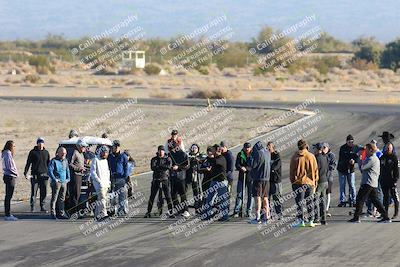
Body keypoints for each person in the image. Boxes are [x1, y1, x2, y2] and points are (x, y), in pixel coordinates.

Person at [348, 143, 391, 223]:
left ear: (371, 150)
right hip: (372, 182)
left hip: (368, 183)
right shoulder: (372, 158)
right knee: (375, 200)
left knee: (360, 199)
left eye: (366, 150)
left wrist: (360, 159)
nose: (365, 151)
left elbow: (363, 167)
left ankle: (356, 217)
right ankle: (385, 216)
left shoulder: (372, 159)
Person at [290, 139, 318, 227]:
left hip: (298, 183)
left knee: (299, 202)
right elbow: (315, 170)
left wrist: (293, 181)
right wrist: (315, 181)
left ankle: (300, 220)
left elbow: (292, 171)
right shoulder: (311, 156)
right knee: (310, 202)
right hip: (309, 182)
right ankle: (311, 220)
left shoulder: (295, 157)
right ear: (306, 146)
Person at [145, 145, 174, 218]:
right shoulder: (154, 159)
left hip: (165, 179)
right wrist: (162, 167)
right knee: (152, 196)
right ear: (158, 151)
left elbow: (169, 167)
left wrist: (159, 167)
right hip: (156, 179)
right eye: (160, 150)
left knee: (168, 197)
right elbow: (153, 167)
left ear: (164, 151)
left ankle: (171, 212)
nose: (161, 152)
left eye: (162, 150)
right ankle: (148, 212)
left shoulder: (168, 158)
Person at [24, 137, 50, 213]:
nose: (41, 144)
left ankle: (42, 206)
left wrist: (51, 174)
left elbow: (49, 164)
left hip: (44, 175)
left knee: (43, 191)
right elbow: (28, 163)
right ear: (37, 143)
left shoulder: (46, 152)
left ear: (44, 143)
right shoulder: (32, 152)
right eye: (39, 142)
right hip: (35, 176)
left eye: (42, 142)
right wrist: (25, 173)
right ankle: (32, 207)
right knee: (34, 192)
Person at [248, 141, 271, 224]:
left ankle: (257, 217)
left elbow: (253, 165)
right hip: (267, 178)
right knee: (265, 197)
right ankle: (267, 216)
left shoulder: (258, 154)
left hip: (258, 179)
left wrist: (250, 157)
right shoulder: (267, 153)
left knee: (257, 197)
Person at [204, 145, 229, 221]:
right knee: (209, 198)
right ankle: (208, 214)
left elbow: (215, 162)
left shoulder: (221, 158)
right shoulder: (214, 158)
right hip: (214, 181)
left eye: (214, 150)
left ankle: (224, 216)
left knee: (222, 199)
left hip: (221, 182)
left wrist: (208, 159)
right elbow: (207, 164)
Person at [337, 135, 362, 207]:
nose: (350, 143)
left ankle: (353, 200)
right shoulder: (342, 148)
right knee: (342, 185)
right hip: (342, 169)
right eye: (349, 142)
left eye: (352, 142)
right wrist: (349, 161)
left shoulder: (355, 147)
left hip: (351, 170)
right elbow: (342, 158)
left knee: (352, 185)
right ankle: (343, 200)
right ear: (346, 141)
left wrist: (355, 161)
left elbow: (361, 150)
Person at [169, 142, 190, 218]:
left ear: (176, 147)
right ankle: (178, 209)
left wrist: (178, 167)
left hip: (181, 177)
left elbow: (187, 166)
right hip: (173, 177)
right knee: (173, 195)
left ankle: (186, 210)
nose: (171, 150)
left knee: (183, 195)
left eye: (172, 148)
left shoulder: (183, 154)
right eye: (170, 148)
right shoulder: (170, 154)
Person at [108, 140, 130, 215]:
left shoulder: (123, 156)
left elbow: (126, 167)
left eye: (118, 146)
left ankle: (122, 210)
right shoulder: (110, 156)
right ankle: (112, 210)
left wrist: (125, 176)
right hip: (112, 178)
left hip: (121, 178)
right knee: (112, 196)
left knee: (122, 195)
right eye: (115, 146)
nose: (116, 147)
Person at [48, 147, 70, 219]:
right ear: (59, 153)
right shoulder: (53, 161)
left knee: (62, 198)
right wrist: (54, 179)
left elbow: (67, 170)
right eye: (63, 153)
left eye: (65, 153)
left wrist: (68, 178)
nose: (64, 154)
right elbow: (50, 171)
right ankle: (53, 213)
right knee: (54, 198)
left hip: (64, 182)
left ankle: (62, 213)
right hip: (57, 182)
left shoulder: (65, 160)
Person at [90, 146, 111, 220]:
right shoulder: (95, 159)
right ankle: (104, 214)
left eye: (107, 153)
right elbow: (93, 172)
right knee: (102, 199)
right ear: (101, 152)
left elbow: (107, 171)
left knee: (101, 199)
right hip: (99, 184)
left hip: (106, 183)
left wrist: (108, 181)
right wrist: (98, 181)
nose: (106, 154)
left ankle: (97, 215)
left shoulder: (105, 161)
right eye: (104, 153)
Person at [68, 139, 88, 215]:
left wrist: (85, 167)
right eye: (83, 146)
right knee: (75, 194)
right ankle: (73, 212)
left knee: (78, 194)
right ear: (79, 146)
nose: (85, 148)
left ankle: (76, 210)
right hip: (75, 175)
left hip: (80, 175)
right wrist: (79, 168)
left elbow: (81, 164)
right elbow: (70, 164)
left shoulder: (81, 154)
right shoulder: (75, 152)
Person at [233, 142, 253, 218]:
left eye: (248, 148)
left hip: (251, 178)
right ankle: (237, 211)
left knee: (250, 195)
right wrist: (241, 168)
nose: (247, 149)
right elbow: (237, 164)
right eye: (245, 148)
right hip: (242, 177)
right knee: (240, 194)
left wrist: (247, 168)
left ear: (250, 148)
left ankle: (249, 211)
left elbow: (254, 165)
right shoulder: (240, 154)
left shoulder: (253, 155)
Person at [379, 143, 399, 219]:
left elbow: (397, 170)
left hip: (392, 180)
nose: (388, 149)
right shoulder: (382, 157)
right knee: (386, 197)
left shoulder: (394, 158)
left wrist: (395, 180)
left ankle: (396, 213)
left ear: (391, 149)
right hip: (384, 180)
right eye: (387, 148)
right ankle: (385, 213)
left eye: (389, 148)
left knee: (394, 196)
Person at [2, 140, 19, 221]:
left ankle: (8, 213)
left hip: (7, 175)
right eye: (14, 146)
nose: (15, 148)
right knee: (9, 196)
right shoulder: (8, 154)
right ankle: (7, 214)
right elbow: (10, 166)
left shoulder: (5, 153)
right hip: (10, 176)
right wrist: (16, 173)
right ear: (10, 146)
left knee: (8, 196)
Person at [313, 143, 329, 225]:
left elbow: (315, 171)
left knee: (316, 200)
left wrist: (314, 181)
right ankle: (324, 219)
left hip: (319, 182)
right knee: (323, 200)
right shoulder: (325, 157)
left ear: (317, 149)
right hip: (325, 180)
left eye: (314, 148)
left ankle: (316, 218)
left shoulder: (316, 158)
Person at [267, 141, 283, 219]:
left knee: (277, 197)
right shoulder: (266, 155)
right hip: (267, 180)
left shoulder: (277, 155)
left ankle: (279, 214)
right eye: (267, 146)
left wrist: (271, 169)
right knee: (267, 198)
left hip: (276, 180)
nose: (268, 148)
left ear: (273, 147)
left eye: (269, 146)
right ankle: (269, 214)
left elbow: (276, 166)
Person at [186, 144, 204, 213]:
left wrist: (198, 159)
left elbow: (204, 159)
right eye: (193, 148)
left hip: (200, 175)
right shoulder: (189, 156)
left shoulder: (201, 155)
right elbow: (187, 159)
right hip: (193, 175)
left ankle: (201, 205)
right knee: (195, 190)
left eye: (195, 148)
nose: (194, 149)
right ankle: (197, 206)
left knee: (200, 190)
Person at [322, 142, 336, 217]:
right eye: (322, 147)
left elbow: (333, 165)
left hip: (329, 178)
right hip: (321, 178)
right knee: (321, 194)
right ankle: (322, 209)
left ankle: (326, 209)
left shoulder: (332, 155)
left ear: (328, 148)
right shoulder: (321, 155)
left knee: (328, 194)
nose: (323, 149)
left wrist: (325, 167)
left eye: (324, 147)